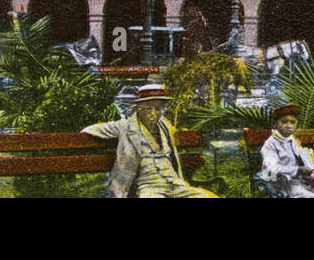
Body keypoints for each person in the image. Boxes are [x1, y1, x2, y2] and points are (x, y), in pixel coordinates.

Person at [82, 83, 218, 198]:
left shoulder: (165, 126)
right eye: (149, 108)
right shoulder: (125, 126)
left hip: (176, 184)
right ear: (139, 107)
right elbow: (91, 129)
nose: (154, 113)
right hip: (149, 187)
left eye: (158, 109)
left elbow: (175, 135)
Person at [259, 104, 314, 198]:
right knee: (308, 196)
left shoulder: (294, 142)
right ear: (276, 123)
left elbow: (303, 161)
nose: (288, 126)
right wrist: (297, 170)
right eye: (284, 122)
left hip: (303, 184)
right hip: (283, 185)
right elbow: (271, 169)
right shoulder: (271, 144)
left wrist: (310, 176)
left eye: (292, 122)